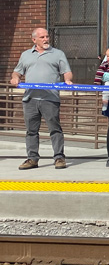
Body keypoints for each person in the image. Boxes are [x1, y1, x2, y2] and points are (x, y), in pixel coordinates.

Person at [11, 28, 73, 170]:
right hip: (30, 99)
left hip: (50, 98)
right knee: (31, 131)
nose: (46, 39)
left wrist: (68, 80)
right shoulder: (26, 55)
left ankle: (59, 157)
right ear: (34, 40)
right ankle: (32, 159)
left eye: (47, 36)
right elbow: (17, 71)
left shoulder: (58, 54)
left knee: (55, 129)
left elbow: (67, 72)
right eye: (42, 37)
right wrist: (15, 78)